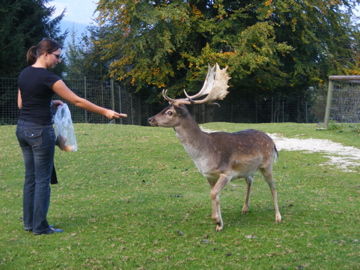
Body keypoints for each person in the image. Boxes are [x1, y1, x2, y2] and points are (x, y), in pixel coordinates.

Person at [16, 38, 127, 235]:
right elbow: (77, 100)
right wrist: (105, 112)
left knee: (30, 179)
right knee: (42, 180)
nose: (59, 60)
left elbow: (22, 105)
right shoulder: (49, 78)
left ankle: (29, 223)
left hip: (23, 130)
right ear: (45, 53)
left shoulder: (24, 74)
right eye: (57, 56)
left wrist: (50, 104)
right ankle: (40, 227)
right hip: (40, 132)